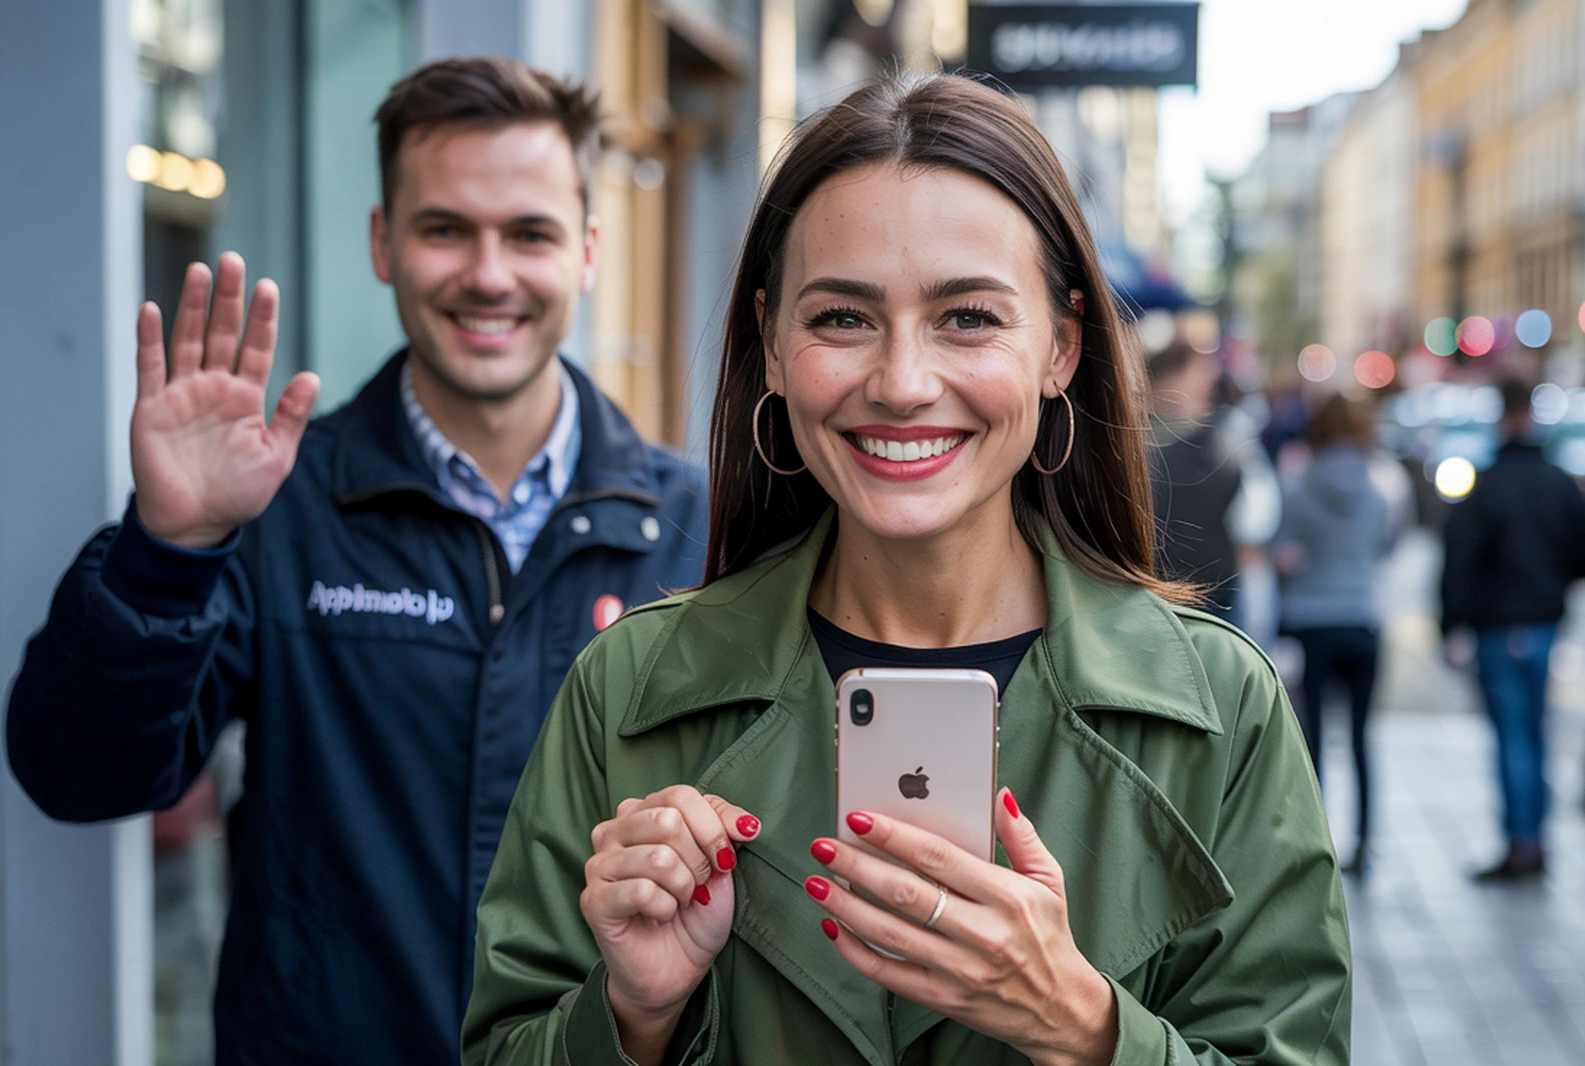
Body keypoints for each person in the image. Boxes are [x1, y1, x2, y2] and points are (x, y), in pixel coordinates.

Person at [464, 73, 1351, 1066]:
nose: (901, 382)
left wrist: (1089, 1029)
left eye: (967, 317)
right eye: (842, 319)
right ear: (769, 343)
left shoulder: (1219, 710)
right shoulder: (627, 692)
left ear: (1060, 345)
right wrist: (630, 1015)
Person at [4, 56, 706, 1064]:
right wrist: (169, 549)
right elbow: (78, 772)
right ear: (384, 243)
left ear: (587, 250)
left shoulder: (692, 529)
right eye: (444, 228)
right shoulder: (279, 504)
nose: (490, 273)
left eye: (530, 233)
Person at [1440, 377, 1585, 881]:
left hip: (1499, 626)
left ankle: (1522, 843)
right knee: (1535, 730)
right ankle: (1535, 837)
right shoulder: (1559, 482)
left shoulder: (1487, 485)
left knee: (1513, 735)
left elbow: (1459, 560)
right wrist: (1554, 583)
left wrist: (1452, 623)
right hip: (1542, 622)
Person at [1272, 392, 1393, 877]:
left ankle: (1315, 845)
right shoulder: (1379, 491)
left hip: (1310, 621)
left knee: (1312, 740)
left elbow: (1281, 553)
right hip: (1363, 619)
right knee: (1363, 738)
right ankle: (1364, 843)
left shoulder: (1298, 489)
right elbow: (1386, 546)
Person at [1147, 339, 1244, 611]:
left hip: (1196, 587)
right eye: (1201, 369)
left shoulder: (1220, 437)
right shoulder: (1218, 441)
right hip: (1202, 587)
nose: (1211, 378)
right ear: (1171, 376)